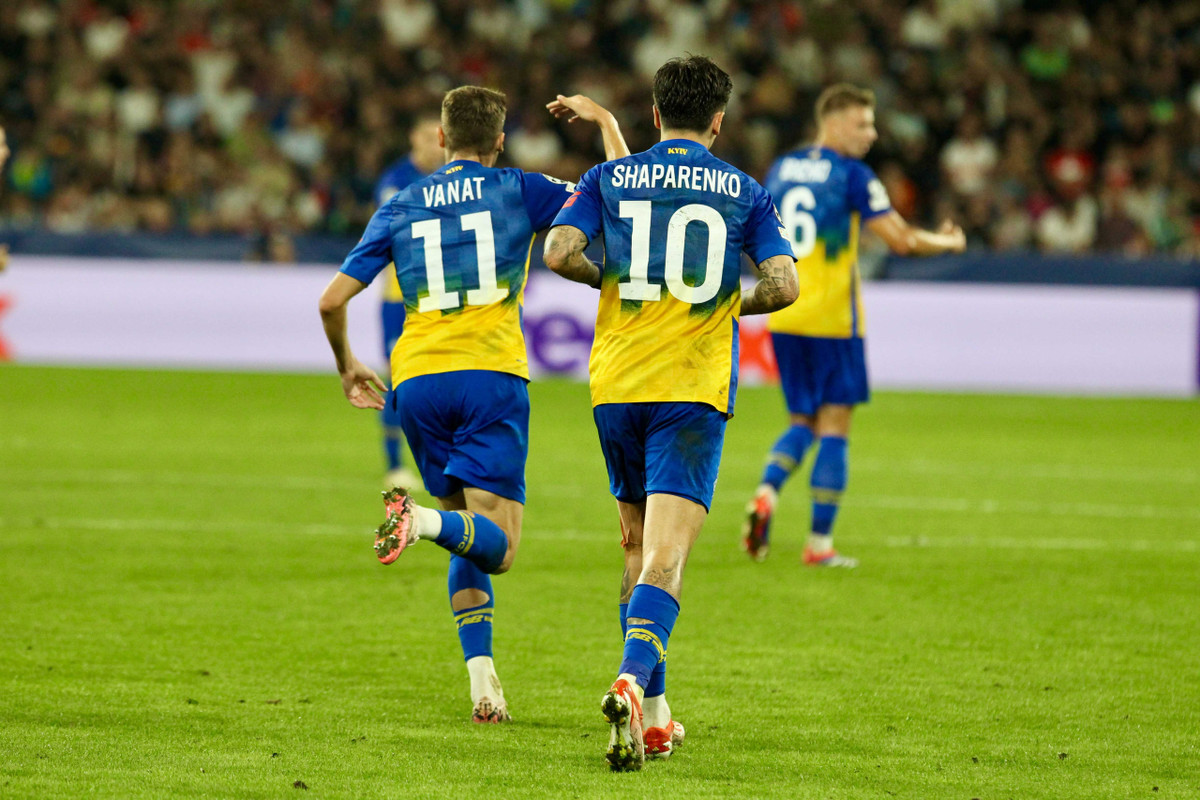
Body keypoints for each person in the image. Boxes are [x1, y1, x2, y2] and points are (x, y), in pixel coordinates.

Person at [319, 86, 628, 724]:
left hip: (417, 382)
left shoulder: (400, 203)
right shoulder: (521, 188)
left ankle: (483, 685)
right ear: (499, 142)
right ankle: (419, 522)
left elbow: (331, 300)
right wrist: (603, 121)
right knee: (499, 546)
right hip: (488, 376)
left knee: (466, 530)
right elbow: (621, 196)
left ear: (440, 138)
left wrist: (348, 365)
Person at [543, 56, 799, 771]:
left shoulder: (609, 177)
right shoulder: (745, 190)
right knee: (666, 558)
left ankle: (655, 719)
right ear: (719, 120)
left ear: (656, 114)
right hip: (690, 386)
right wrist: (725, 304)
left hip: (617, 385)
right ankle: (629, 682)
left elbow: (559, 252)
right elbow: (783, 286)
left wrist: (613, 282)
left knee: (634, 548)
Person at [742, 84, 966, 567]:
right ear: (834, 122)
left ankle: (767, 490)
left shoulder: (782, 167)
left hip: (783, 313)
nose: (872, 133)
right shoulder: (853, 175)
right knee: (835, 426)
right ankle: (819, 545)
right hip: (832, 319)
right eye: (863, 123)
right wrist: (948, 243)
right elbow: (902, 241)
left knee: (801, 421)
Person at [374, 112, 443, 491]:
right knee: (398, 379)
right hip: (399, 299)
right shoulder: (396, 180)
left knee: (439, 379)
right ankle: (394, 465)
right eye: (428, 137)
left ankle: (437, 457)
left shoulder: (450, 178)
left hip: (440, 297)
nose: (435, 145)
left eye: (439, 138)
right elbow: (396, 227)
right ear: (414, 139)